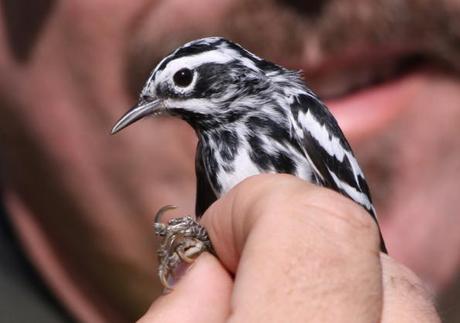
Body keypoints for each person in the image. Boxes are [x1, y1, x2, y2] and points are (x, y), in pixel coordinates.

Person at [0, 0, 458, 321]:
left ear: (230, 74)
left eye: (181, 82)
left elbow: (358, 241)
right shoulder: (211, 151)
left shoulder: (298, 111)